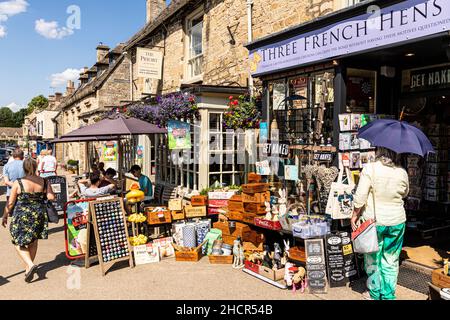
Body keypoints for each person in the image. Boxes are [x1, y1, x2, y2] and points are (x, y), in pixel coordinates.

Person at [351, 147, 409, 301]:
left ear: (379, 151)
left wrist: (354, 215)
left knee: (372, 258)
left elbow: (360, 196)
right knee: (391, 259)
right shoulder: (402, 172)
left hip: (374, 222)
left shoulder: (370, 169)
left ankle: (374, 293)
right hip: (397, 221)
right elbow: (405, 193)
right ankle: (388, 295)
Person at [1, 158, 55, 283]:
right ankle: (28, 268)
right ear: (36, 167)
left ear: (24, 168)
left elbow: (10, 202)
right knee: (33, 241)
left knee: (17, 241)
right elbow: (51, 197)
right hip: (39, 214)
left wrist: (4, 216)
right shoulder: (44, 181)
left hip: (22, 215)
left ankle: (30, 265)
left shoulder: (18, 182)